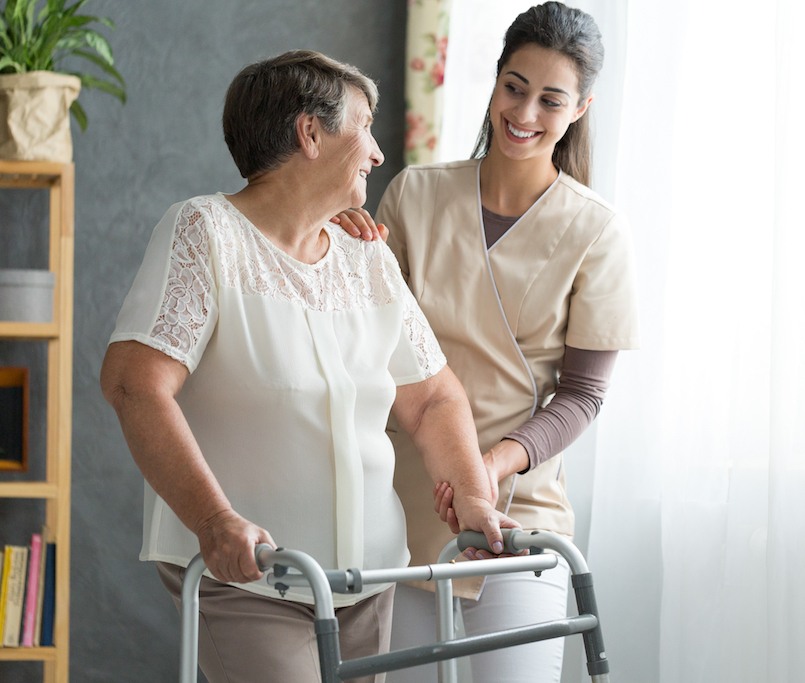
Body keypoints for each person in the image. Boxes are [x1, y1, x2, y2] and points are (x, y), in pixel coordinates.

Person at [100, 50, 513, 683]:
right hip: (250, 577)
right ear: (310, 133)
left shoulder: (364, 254)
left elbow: (432, 399)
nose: (377, 153)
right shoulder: (205, 233)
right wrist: (215, 522)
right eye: (365, 127)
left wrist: (475, 497)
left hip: (368, 578)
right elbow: (134, 384)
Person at [336, 4, 640, 681]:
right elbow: (366, 344)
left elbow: (585, 395)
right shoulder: (414, 195)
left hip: (519, 517)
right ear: (496, 80)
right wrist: (338, 252)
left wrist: (494, 464)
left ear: (581, 107)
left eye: (550, 98)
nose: (525, 111)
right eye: (514, 86)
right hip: (407, 512)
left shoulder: (597, 232)